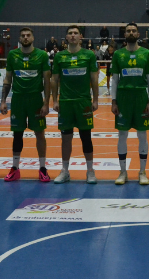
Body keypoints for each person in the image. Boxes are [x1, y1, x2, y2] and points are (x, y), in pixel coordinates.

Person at [1, 27, 51, 182]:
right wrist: (3, 101)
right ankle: (15, 168)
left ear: (33, 38)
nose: (25, 38)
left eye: (28, 35)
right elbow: (8, 79)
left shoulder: (42, 55)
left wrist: (46, 103)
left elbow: (47, 80)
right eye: (23, 35)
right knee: (17, 134)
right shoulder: (12, 55)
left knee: (40, 133)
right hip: (18, 99)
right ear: (19, 38)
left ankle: (42, 168)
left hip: (35, 99)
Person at [51, 25, 99, 184]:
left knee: (86, 137)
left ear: (81, 37)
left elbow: (94, 78)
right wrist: (55, 100)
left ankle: (90, 171)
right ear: (66, 37)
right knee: (66, 138)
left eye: (75, 33)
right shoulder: (59, 56)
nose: (72, 35)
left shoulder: (89, 55)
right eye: (70, 33)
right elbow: (54, 79)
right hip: (65, 102)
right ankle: (65, 171)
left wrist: (96, 99)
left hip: (83, 102)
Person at [110, 23, 149, 185]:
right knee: (122, 135)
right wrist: (113, 101)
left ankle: (142, 172)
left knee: (142, 135)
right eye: (128, 31)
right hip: (123, 98)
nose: (131, 33)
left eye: (133, 31)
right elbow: (115, 80)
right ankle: (123, 172)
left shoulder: (146, 53)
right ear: (125, 34)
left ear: (138, 34)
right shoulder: (118, 54)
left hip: (141, 97)